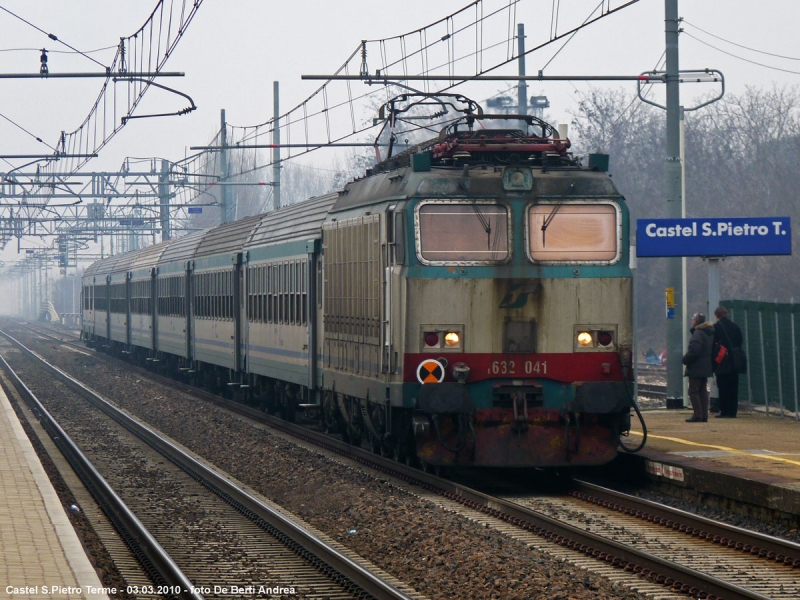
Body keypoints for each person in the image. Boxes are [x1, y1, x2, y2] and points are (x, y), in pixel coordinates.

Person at [682, 312, 715, 422]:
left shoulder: (698, 333)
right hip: (705, 366)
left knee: (693, 391)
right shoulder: (708, 333)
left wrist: (685, 359)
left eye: (693, 319)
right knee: (702, 391)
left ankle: (697, 415)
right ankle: (704, 415)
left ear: (696, 321)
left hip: (696, 367)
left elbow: (694, 350)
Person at [713, 306, 744, 418]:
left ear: (717, 316)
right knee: (733, 386)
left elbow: (714, 345)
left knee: (723, 386)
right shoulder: (735, 327)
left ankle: (725, 411)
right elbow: (740, 341)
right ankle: (733, 411)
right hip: (735, 360)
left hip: (723, 360)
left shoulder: (716, 327)